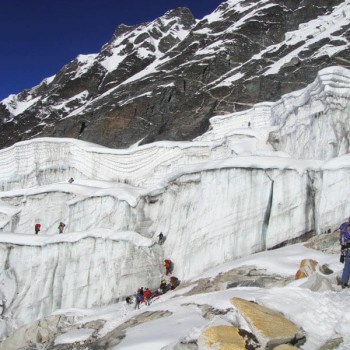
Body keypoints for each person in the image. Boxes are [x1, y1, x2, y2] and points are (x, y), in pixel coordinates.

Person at [337, 218, 350, 288]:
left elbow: (342, 241)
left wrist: (342, 253)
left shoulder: (344, 228)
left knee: (347, 266)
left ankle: (344, 282)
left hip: (347, 249)